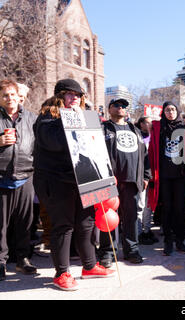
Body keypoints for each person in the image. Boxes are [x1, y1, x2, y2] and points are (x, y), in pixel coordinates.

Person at [33, 79, 115, 291]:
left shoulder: (85, 117)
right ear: (59, 97)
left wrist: (106, 174)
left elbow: (96, 149)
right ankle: (62, 273)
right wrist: (70, 119)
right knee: (63, 225)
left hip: (82, 179)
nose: (74, 98)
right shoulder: (47, 118)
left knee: (86, 223)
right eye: (69, 94)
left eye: (78, 95)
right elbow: (55, 143)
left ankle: (89, 266)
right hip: (56, 180)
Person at [98, 98, 150, 267]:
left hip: (132, 181)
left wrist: (146, 176)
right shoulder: (102, 128)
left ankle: (132, 250)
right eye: (117, 105)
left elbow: (145, 156)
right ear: (109, 109)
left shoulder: (135, 129)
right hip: (109, 181)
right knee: (108, 218)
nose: (120, 108)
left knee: (131, 217)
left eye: (123, 106)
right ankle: (107, 252)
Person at [147, 101, 185, 256]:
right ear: (163, 112)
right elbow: (151, 151)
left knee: (181, 209)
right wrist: (150, 174)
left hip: (181, 176)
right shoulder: (157, 128)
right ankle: (168, 242)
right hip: (164, 176)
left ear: (177, 111)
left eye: (172, 109)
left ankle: (180, 241)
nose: (170, 112)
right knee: (167, 209)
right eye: (167, 110)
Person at [0, 80, 37, 281]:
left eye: (12, 95)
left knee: (25, 222)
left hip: (26, 176)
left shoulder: (31, 118)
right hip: (1, 177)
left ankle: (23, 259)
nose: (9, 98)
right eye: (5, 95)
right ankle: (1, 262)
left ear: (18, 95)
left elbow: (39, 145)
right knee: (1, 225)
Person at [135, 116, 158, 245]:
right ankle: (138, 233)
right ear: (142, 124)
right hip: (140, 175)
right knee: (140, 204)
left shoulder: (154, 136)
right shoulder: (137, 136)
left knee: (149, 205)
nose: (151, 125)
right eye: (149, 122)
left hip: (152, 175)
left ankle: (147, 230)